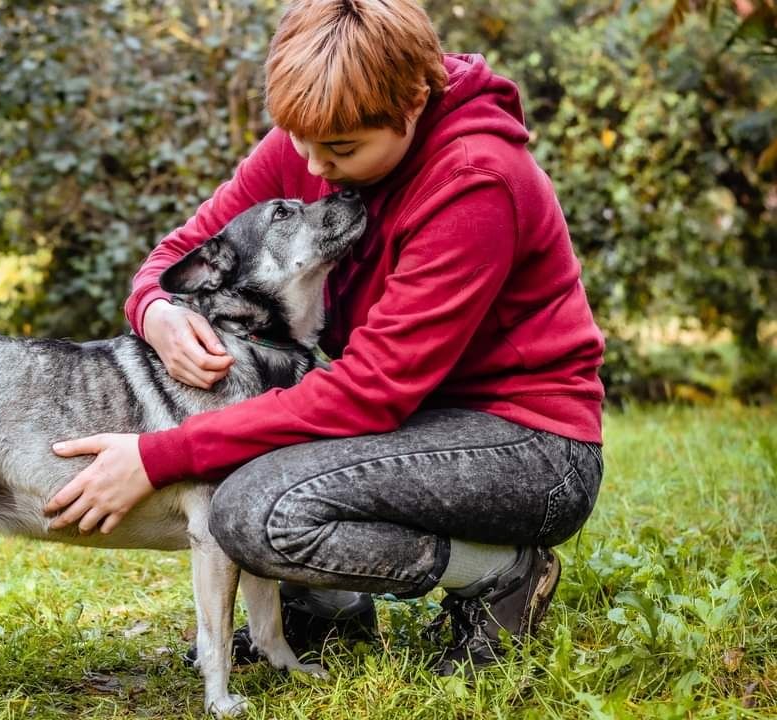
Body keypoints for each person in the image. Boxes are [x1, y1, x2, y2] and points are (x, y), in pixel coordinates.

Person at [44, 0, 604, 675]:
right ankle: (329, 615)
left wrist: (159, 457)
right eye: (300, 142)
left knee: (252, 511)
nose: (314, 166)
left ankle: (501, 574)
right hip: (414, 426)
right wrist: (158, 311)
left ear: (415, 101)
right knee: (254, 447)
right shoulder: (317, 135)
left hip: (529, 446)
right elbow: (178, 253)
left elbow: (369, 392)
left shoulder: (474, 182)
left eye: (339, 151)